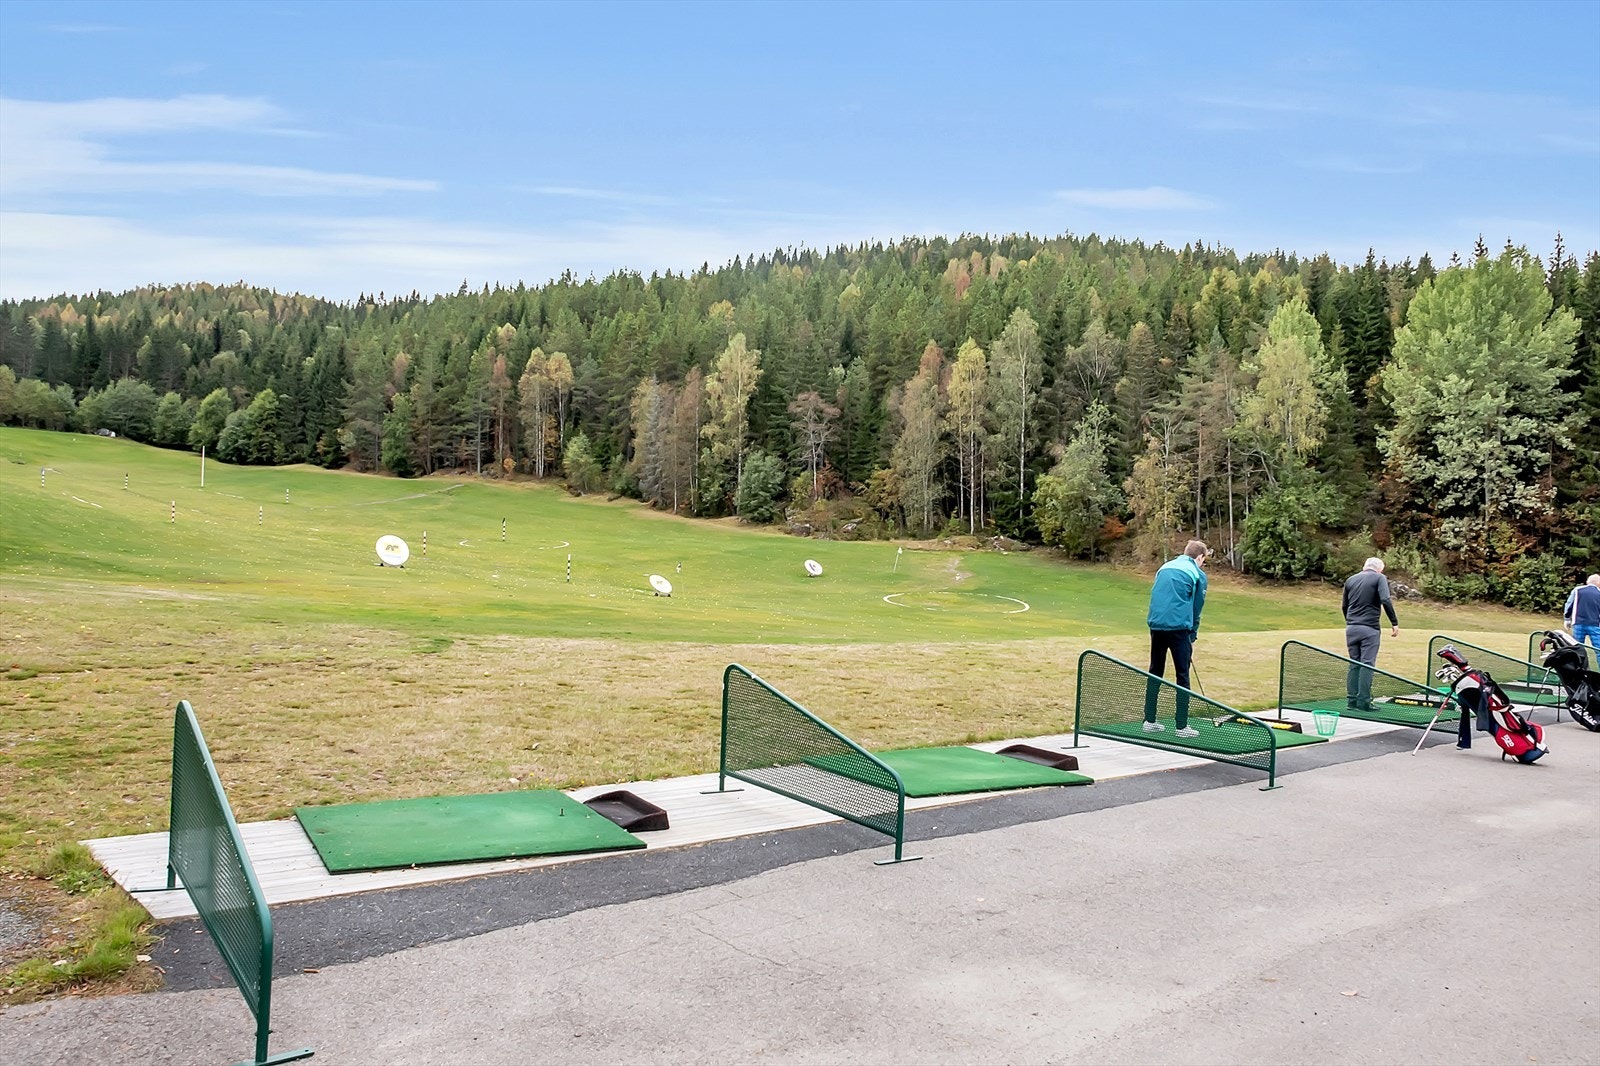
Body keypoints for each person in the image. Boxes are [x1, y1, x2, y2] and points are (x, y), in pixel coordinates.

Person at [1143, 540, 1209, 738]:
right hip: (1179, 628)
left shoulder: (1164, 567)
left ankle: (1149, 721)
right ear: (1200, 557)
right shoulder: (1198, 574)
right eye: (1204, 560)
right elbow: (1197, 608)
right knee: (1182, 675)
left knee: (1155, 671)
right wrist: (1193, 634)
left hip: (1156, 625)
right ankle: (1181, 726)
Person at [1342, 557, 1400, 711]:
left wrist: (1350, 621)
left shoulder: (1350, 580)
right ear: (1380, 569)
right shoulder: (1380, 578)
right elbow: (1385, 599)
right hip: (1370, 628)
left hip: (1352, 627)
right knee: (1367, 664)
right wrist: (1394, 622)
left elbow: (1344, 606)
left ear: (1364, 567)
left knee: (1354, 664)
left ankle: (1352, 701)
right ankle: (1364, 702)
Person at [1570, 574, 1600, 651]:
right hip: (1595, 624)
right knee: (1598, 649)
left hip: (1578, 622)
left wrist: (1567, 618)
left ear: (1587, 581)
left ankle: (1578, 659)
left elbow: (1570, 605)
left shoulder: (1578, 590)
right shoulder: (1598, 593)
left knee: (1576, 647)